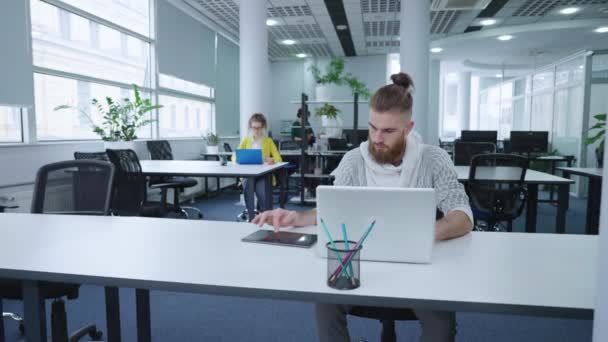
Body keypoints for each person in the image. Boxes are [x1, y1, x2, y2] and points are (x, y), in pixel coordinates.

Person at [253, 72, 473, 342]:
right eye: (372, 128)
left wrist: (419, 235)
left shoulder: (433, 159)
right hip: (360, 262)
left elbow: (462, 215)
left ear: (409, 127)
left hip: (418, 265)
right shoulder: (353, 160)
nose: (377, 138)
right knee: (325, 303)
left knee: (440, 320)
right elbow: (332, 208)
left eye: (389, 130)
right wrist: (296, 218)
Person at [233, 113, 282, 215]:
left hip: (263, 175)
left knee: (262, 190)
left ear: (263, 127)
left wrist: (271, 160)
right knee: (247, 185)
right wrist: (238, 160)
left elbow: (278, 158)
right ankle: (251, 216)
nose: (256, 130)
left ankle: (265, 215)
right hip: (249, 174)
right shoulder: (246, 140)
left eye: (259, 128)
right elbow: (235, 155)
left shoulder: (268, 141)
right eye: (254, 128)